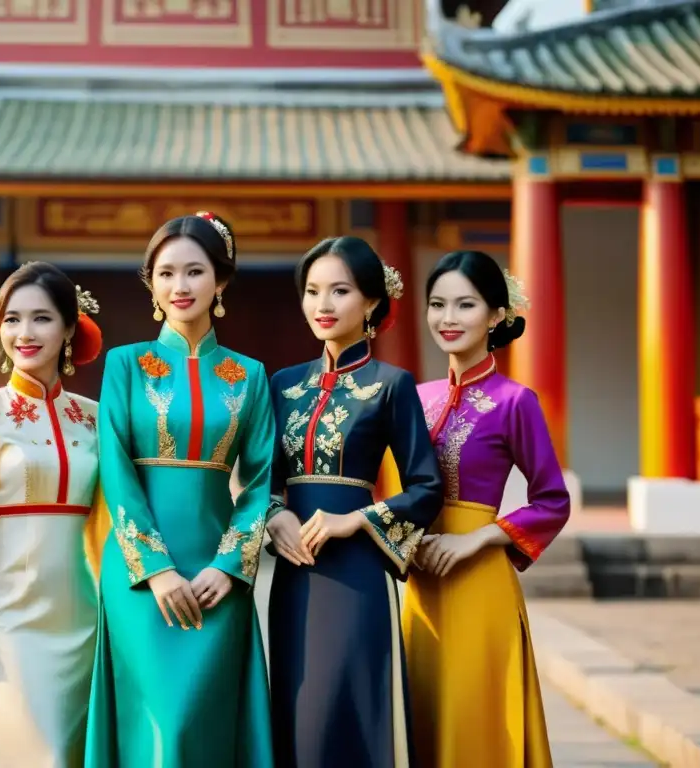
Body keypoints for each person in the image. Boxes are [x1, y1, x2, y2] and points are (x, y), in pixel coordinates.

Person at [85, 212, 274, 768]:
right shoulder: (124, 366)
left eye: (195, 272)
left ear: (221, 282)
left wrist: (229, 565)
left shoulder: (251, 375)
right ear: (151, 285)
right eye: (166, 273)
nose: (180, 286)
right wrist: (156, 567)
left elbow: (261, 482)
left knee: (203, 721)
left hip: (220, 577)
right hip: (139, 576)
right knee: (162, 721)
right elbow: (115, 473)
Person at [266, 236, 443, 767]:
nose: (322, 305)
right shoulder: (283, 385)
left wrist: (356, 521)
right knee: (297, 709)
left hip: (356, 574)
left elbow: (426, 486)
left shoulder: (391, 385)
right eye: (312, 291)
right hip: (296, 574)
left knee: (346, 708)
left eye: (339, 291)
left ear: (370, 302)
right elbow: (263, 481)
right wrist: (274, 517)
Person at [0, 261, 108, 768]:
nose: (24, 334)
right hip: (9, 616)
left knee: (72, 753)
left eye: (41, 319)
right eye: (11, 319)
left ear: (69, 328)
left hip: (83, 616)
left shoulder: (94, 417)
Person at [404, 249, 570, 767]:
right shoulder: (415, 395)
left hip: (480, 583)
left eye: (465, 305)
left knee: (476, 722)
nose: (448, 318)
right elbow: (396, 491)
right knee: (425, 716)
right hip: (421, 582)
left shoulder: (515, 401)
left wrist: (477, 538)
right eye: (437, 304)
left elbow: (552, 500)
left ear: (496, 315)